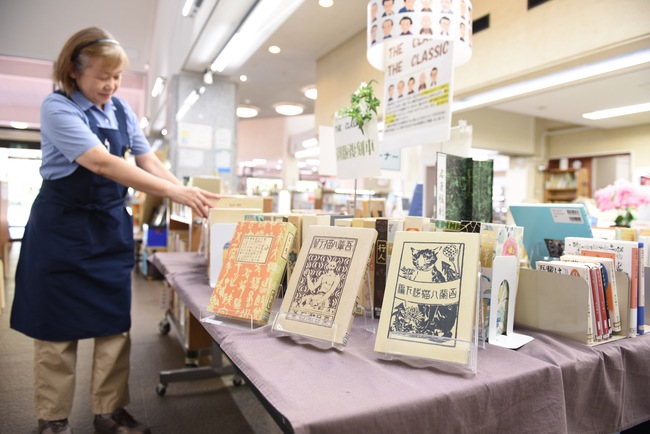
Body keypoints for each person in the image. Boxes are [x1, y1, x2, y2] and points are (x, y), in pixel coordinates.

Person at [10, 27, 219, 434]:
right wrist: (178, 191)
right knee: (56, 333)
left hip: (107, 228)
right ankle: (52, 420)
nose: (110, 85)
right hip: (61, 229)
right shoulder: (57, 108)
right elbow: (103, 163)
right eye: (102, 76)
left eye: (117, 76)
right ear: (74, 72)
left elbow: (148, 162)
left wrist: (185, 192)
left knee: (114, 327)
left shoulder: (121, 110)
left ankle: (110, 412)